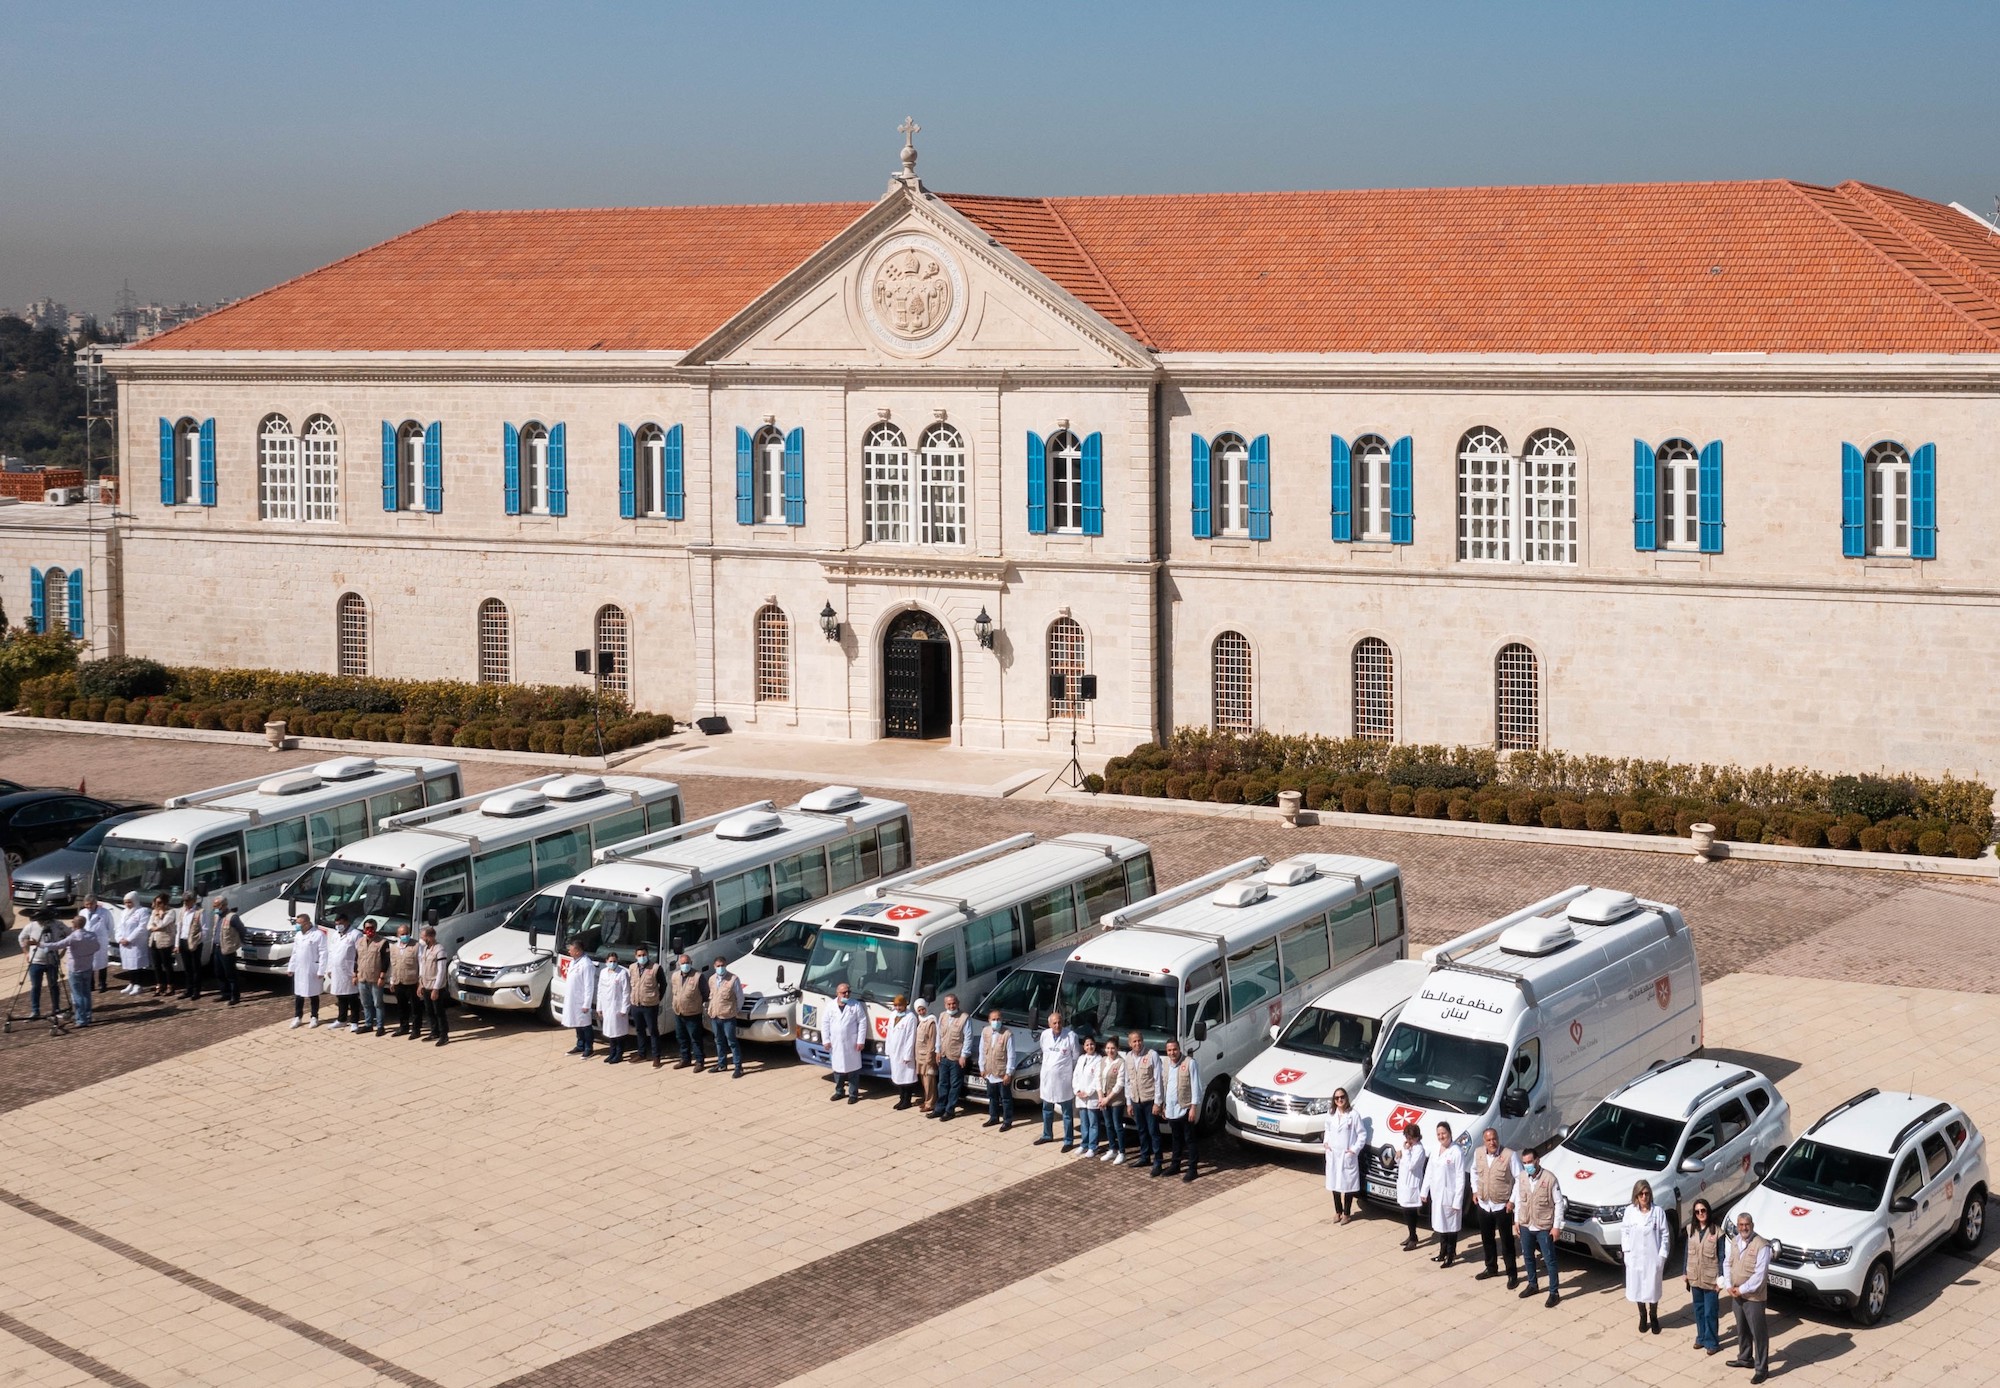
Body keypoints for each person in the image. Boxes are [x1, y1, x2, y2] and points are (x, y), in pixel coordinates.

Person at [1469, 1127, 1521, 1285]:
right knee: (1487, 1239)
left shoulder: (1509, 1155)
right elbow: (1473, 1171)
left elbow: (1520, 1178)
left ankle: (1512, 1273)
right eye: (1489, 1140)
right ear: (1484, 1141)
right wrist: (1475, 1190)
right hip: (1484, 1204)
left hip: (1502, 1206)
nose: (1492, 1142)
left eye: (1494, 1139)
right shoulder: (1478, 1153)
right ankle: (1491, 1267)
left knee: (1506, 1242)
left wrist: (1512, 1200)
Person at [1725, 1211, 1772, 1383]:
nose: (1744, 1228)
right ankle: (1745, 1358)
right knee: (1741, 1328)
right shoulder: (1735, 1241)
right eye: (1741, 1225)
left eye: (1747, 1225)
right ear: (1737, 1226)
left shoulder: (1762, 1246)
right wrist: (1729, 1285)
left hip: (1753, 1297)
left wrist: (1742, 1289)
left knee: (1758, 1332)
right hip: (1736, 1294)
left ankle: (1762, 1369)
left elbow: (1760, 1276)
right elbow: (1727, 1262)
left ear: (1752, 1226)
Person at [1515, 1146, 1564, 1307]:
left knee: (1549, 1260)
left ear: (1537, 1160)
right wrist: (1516, 1221)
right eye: (1525, 1163)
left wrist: (1556, 1227)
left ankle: (1554, 1292)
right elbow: (1518, 1200)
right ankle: (1532, 1284)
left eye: (1530, 1162)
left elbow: (1558, 1203)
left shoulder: (1549, 1179)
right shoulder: (1522, 1177)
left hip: (1543, 1226)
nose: (1528, 1165)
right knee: (1528, 1256)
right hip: (1526, 1224)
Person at [1622, 1179, 1672, 1334]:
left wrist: (1662, 1256)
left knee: (1653, 1289)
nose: (1644, 1197)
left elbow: (1665, 1235)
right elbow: (1625, 1232)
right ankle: (1642, 1315)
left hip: (1652, 1258)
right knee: (1637, 1287)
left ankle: (1654, 1315)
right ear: (1636, 1196)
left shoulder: (1658, 1212)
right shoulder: (1630, 1212)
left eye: (1647, 1193)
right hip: (1635, 1257)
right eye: (1641, 1194)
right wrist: (1627, 1253)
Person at [1034, 1010, 1080, 1151]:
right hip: (1048, 1079)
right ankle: (1047, 1135)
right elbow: (1044, 1052)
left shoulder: (1071, 1036)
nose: (1057, 1025)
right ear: (1049, 1024)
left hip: (1063, 1080)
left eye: (1059, 1022)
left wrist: (1065, 1071)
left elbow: (1075, 1057)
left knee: (1066, 1112)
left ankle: (1068, 1140)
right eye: (1054, 1023)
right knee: (1047, 1108)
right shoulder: (1045, 1035)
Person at [1684, 1198, 1724, 1355]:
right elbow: (1687, 1253)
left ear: (1708, 1211)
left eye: (1703, 1210)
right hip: (1694, 1277)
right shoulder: (1690, 1230)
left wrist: (1721, 1280)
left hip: (1711, 1279)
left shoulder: (1717, 1232)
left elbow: (1722, 1257)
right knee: (1698, 1310)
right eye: (1697, 1211)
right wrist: (1684, 1273)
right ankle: (1701, 1337)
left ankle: (1712, 1342)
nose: (1700, 1214)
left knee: (1710, 1312)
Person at [1424, 1122, 1467, 1266]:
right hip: (1437, 1195)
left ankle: (1450, 1255)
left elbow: (1461, 1178)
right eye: (1439, 1134)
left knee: (1451, 1227)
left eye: (1444, 1133)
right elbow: (1429, 1171)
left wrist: (1457, 1200)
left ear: (1450, 1133)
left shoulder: (1456, 1152)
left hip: (1450, 1195)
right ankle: (1442, 1253)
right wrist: (1424, 1191)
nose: (1441, 1137)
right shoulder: (1436, 1149)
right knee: (1441, 1225)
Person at [1158, 1039, 1201, 1181]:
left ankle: (1192, 1168)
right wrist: (1163, 1105)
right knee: (1176, 1138)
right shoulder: (1165, 1064)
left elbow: (1196, 1086)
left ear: (1179, 1049)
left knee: (1190, 1139)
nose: (1172, 1053)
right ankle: (1175, 1165)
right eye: (1169, 1050)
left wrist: (1193, 1107)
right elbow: (1165, 1085)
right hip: (1171, 1109)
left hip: (1185, 1107)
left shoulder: (1189, 1063)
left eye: (1174, 1049)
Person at [1124, 1030, 1162, 1171]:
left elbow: (1158, 1080)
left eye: (1139, 1040)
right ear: (1130, 1044)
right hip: (1136, 1100)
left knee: (1153, 1131)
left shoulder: (1152, 1055)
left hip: (1150, 1100)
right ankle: (1145, 1156)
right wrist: (1129, 1102)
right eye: (1134, 1041)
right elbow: (1128, 1081)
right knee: (1141, 1130)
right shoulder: (1128, 1057)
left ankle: (1158, 1161)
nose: (1137, 1043)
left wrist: (1158, 1102)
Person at [1323, 1088, 1364, 1222]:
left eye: (1342, 1097)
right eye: (1337, 1098)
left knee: (1347, 1184)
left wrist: (1354, 1149)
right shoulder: (1331, 1114)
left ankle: (1347, 1213)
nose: (1340, 1100)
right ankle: (1338, 1211)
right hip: (1333, 1154)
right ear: (1334, 1101)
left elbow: (1362, 1134)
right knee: (1334, 1183)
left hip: (1347, 1154)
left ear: (1346, 1098)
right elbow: (1327, 1129)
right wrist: (1326, 1143)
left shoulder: (1354, 1115)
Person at [825, 981, 867, 1102]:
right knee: (838, 1070)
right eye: (844, 992)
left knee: (853, 1070)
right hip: (836, 1042)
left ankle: (853, 1094)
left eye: (848, 992)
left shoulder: (855, 1005)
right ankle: (839, 1091)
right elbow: (825, 1023)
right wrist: (826, 1040)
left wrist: (860, 1041)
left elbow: (862, 1022)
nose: (847, 994)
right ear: (837, 993)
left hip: (851, 1043)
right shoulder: (830, 1006)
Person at [53, 914, 97, 1027]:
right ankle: (88, 1016)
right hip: (87, 967)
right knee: (86, 993)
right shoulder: (91, 935)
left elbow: (57, 945)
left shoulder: (73, 937)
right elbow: (97, 947)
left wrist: (40, 944)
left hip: (75, 969)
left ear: (74, 924)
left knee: (78, 995)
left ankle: (81, 1020)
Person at [932, 993, 970, 1119]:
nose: (951, 1006)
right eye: (949, 1004)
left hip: (956, 1057)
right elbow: (939, 1035)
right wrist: (937, 1051)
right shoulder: (942, 1016)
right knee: (942, 1083)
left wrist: (963, 1055)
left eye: (953, 1003)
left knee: (954, 1085)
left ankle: (950, 1110)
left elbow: (968, 1038)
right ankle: (939, 1108)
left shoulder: (964, 1018)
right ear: (945, 1005)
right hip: (943, 1056)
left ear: (957, 1003)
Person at [978, 1007, 1017, 1129]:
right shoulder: (985, 1032)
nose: (996, 1021)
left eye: (998, 1019)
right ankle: (993, 1117)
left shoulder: (1007, 1034)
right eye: (993, 1019)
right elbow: (982, 1051)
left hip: (1001, 1072)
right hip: (990, 1072)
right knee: (992, 1096)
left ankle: (1007, 1121)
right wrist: (982, 1067)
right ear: (989, 1020)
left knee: (1005, 1098)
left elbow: (1011, 1055)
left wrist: (1009, 1073)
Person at [707, 957, 745, 1078]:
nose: (720, 968)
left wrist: (735, 1010)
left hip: (728, 1016)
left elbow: (740, 998)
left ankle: (738, 1067)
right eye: (718, 966)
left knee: (732, 1041)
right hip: (715, 1015)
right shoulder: (712, 979)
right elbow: (712, 996)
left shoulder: (733, 979)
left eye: (722, 965)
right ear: (714, 966)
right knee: (718, 1041)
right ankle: (722, 1064)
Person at [1394, 1121, 1430, 1249]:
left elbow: (1411, 1166)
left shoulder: (1419, 1149)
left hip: (1412, 1183)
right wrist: (1398, 1156)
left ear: (1417, 1137)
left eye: (1411, 1138)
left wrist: (1405, 1152)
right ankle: (1411, 1234)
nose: (1409, 1141)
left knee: (1410, 1211)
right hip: (1404, 1182)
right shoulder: (1409, 1148)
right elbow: (1401, 1163)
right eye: (1407, 1138)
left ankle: (1413, 1237)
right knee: (1405, 1210)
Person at [669, 953, 708, 1069]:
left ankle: (699, 1061)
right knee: (681, 1037)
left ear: (691, 963)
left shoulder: (698, 976)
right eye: (682, 963)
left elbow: (705, 994)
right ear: (679, 964)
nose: (685, 965)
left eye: (687, 963)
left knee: (695, 1038)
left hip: (693, 1013)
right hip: (678, 1012)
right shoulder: (675, 976)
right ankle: (685, 1059)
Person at [627, 947, 665, 1066]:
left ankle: (656, 1056)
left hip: (650, 1005)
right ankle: (641, 1054)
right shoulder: (632, 967)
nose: (642, 957)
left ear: (648, 955)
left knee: (653, 1031)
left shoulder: (655, 968)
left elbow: (663, 984)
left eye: (644, 954)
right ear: (635, 956)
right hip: (636, 1004)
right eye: (639, 955)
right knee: (639, 1030)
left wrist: (657, 998)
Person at [559, 942, 598, 1057]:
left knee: (585, 1025)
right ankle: (580, 1045)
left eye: (571, 950)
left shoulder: (586, 965)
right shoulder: (573, 962)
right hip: (573, 999)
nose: (569, 952)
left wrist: (586, 1003)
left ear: (578, 951)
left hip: (581, 1000)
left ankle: (588, 1048)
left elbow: (589, 986)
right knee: (577, 1023)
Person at [287, 915, 326, 1028]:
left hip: (312, 968)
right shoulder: (298, 935)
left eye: (300, 923)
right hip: (300, 969)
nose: (297, 925)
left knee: (313, 994)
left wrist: (321, 970)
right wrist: (291, 967)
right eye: (297, 923)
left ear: (307, 923)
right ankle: (298, 1016)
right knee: (299, 995)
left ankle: (314, 1017)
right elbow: (295, 952)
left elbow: (323, 953)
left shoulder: (318, 935)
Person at [21, 915, 61, 1020]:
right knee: (35, 986)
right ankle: (35, 1011)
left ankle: (56, 1009)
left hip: (52, 961)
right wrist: (26, 953)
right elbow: (21, 938)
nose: (41, 922)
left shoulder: (56, 924)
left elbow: (67, 936)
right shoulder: (30, 926)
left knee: (53, 985)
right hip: (36, 962)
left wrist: (62, 953)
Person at [353, 919, 388, 1033]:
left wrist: (382, 977)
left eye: (372, 928)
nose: (369, 930)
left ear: (375, 928)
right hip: (362, 977)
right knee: (365, 1003)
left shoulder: (382, 942)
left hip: (375, 978)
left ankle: (380, 1026)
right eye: (367, 928)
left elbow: (385, 961)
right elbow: (356, 959)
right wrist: (355, 974)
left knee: (378, 1003)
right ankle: (368, 1024)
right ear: (364, 929)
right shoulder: (359, 942)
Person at [417, 924, 450, 1045]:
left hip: (436, 986)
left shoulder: (439, 950)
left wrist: (436, 988)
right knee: (429, 1011)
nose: (422, 939)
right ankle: (434, 1031)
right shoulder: (425, 949)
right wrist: (420, 983)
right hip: (426, 985)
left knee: (439, 1012)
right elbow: (423, 966)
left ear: (430, 937)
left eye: (423, 937)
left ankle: (444, 1035)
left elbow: (441, 970)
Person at [326, 914, 361, 1030]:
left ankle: (355, 1021)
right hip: (337, 970)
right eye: (336, 924)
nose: (338, 926)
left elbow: (359, 955)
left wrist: (356, 972)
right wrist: (329, 968)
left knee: (352, 997)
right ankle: (342, 1019)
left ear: (346, 922)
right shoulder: (335, 935)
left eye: (340, 924)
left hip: (349, 970)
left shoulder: (356, 934)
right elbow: (331, 952)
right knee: (340, 996)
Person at [597, 952, 631, 1063]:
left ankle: (619, 1054)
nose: (612, 963)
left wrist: (624, 1008)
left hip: (618, 1007)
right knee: (610, 1032)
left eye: (614, 961)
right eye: (610, 961)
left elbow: (626, 992)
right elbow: (600, 991)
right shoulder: (603, 973)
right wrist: (599, 1007)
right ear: (606, 962)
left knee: (619, 1032)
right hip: (606, 1006)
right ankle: (612, 1053)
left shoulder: (622, 973)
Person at [389, 925, 422, 1037]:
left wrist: (420, 982)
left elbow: (421, 964)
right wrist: (392, 981)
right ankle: (403, 1027)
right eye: (402, 934)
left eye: (406, 933)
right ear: (398, 935)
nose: (405, 936)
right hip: (399, 981)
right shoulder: (393, 947)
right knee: (401, 1006)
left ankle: (416, 1029)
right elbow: (393, 965)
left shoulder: (417, 945)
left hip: (412, 982)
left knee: (415, 1007)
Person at [1074, 1035, 1105, 1156]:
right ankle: (1084, 1144)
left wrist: (1088, 1092)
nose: (1089, 1046)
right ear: (1084, 1047)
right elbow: (1075, 1076)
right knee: (1084, 1122)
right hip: (1080, 1096)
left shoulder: (1099, 1060)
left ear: (1095, 1045)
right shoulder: (1081, 1058)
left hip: (1092, 1097)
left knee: (1093, 1123)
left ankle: (1093, 1146)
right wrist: (1077, 1090)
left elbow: (1097, 1079)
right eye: (1087, 1045)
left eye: (1091, 1044)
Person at [886, 995, 919, 1109]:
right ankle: (901, 1099)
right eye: (896, 1005)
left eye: (900, 1005)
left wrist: (907, 1054)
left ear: (905, 1005)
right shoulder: (893, 1015)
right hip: (894, 1051)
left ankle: (907, 1100)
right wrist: (888, 1049)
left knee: (907, 1078)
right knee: (898, 1077)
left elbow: (911, 1037)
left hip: (904, 1052)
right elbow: (889, 1033)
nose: (898, 1008)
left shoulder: (911, 1017)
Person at [1098, 1036, 1128, 1164]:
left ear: (1117, 1049)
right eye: (1108, 1048)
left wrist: (1107, 1099)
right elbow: (1098, 1079)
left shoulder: (1121, 1063)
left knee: (1117, 1126)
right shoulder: (1103, 1060)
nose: (1110, 1051)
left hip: (1116, 1100)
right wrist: (1100, 1097)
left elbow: (1120, 1084)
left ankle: (1122, 1152)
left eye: (1113, 1048)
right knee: (1108, 1125)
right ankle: (1112, 1149)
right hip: (1104, 1099)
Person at [211, 897, 244, 1006]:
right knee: (219, 972)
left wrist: (238, 944)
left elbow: (242, 930)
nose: (214, 908)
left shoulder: (232, 917)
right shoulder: (217, 916)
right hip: (217, 948)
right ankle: (225, 993)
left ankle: (235, 996)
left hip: (227, 949)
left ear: (223, 905)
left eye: (216, 906)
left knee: (230, 974)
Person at [115, 892, 150, 996]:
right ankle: (131, 982)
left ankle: (138, 984)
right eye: (125, 902)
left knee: (136, 963)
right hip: (124, 942)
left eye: (130, 902)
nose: (127, 904)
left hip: (136, 942)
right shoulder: (124, 912)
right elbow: (119, 927)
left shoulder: (142, 911)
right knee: (129, 964)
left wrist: (129, 939)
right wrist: (119, 938)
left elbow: (142, 927)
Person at [80, 894, 115, 994]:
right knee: (89, 963)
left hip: (101, 940)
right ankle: (91, 984)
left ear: (95, 903)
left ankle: (102, 984)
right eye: (87, 904)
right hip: (87, 941)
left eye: (90, 904)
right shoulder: (82, 912)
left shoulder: (105, 912)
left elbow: (110, 926)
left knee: (102, 962)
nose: (89, 907)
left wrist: (105, 937)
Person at [176, 892, 206, 1000]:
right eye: (184, 901)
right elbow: (179, 927)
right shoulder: (182, 911)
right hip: (183, 940)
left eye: (187, 901)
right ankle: (188, 989)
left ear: (193, 901)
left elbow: (204, 929)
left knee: (195, 967)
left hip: (194, 942)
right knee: (187, 967)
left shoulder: (199, 912)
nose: (185, 903)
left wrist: (198, 941)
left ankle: (196, 990)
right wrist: (177, 944)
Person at [911, 998, 940, 1113]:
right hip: (920, 1056)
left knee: (930, 1081)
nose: (922, 1012)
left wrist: (930, 1057)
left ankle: (931, 1103)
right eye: (919, 1010)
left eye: (923, 1009)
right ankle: (927, 1099)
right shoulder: (920, 1020)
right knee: (924, 1081)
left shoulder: (931, 1021)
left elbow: (932, 1041)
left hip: (928, 1057)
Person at [146, 895, 176, 997]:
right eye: (156, 903)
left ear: (165, 903)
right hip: (154, 941)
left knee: (167, 965)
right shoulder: (154, 912)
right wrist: (154, 926)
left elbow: (163, 924)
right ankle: (159, 984)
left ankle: (170, 985)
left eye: (159, 903)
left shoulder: (171, 912)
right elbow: (149, 925)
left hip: (165, 941)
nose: (157, 905)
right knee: (156, 965)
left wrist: (159, 917)